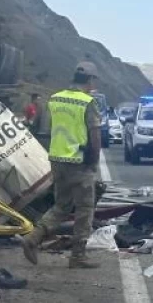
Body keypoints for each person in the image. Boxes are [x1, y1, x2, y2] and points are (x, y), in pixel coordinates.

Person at [21, 62, 103, 268]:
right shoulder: (88, 102)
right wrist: (93, 162)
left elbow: (45, 128)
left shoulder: (56, 98)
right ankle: (78, 256)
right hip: (79, 161)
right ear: (91, 80)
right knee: (85, 208)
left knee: (61, 206)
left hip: (57, 159)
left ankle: (33, 238)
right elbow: (95, 136)